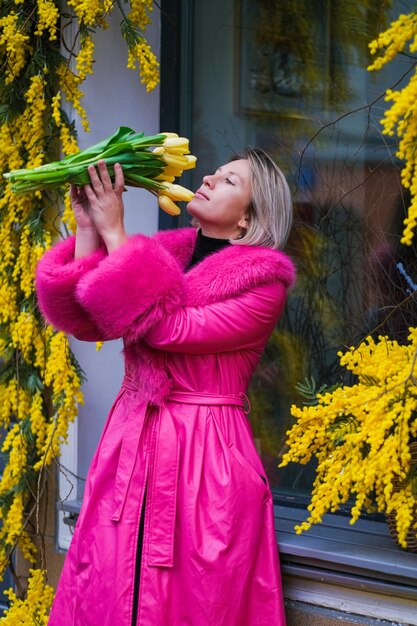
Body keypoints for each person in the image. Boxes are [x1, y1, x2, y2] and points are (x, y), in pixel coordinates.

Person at [35, 147, 296, 626]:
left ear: (246, 221)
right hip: (130, 447)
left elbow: (167, 329)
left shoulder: (262, 284)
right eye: (216, 171)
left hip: (205, 459)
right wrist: (90, 231)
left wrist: (117, 232)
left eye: (230, 181)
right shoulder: (164, 255)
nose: (210, 179)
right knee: (108, 586)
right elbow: (89, 322)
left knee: (193, 599)